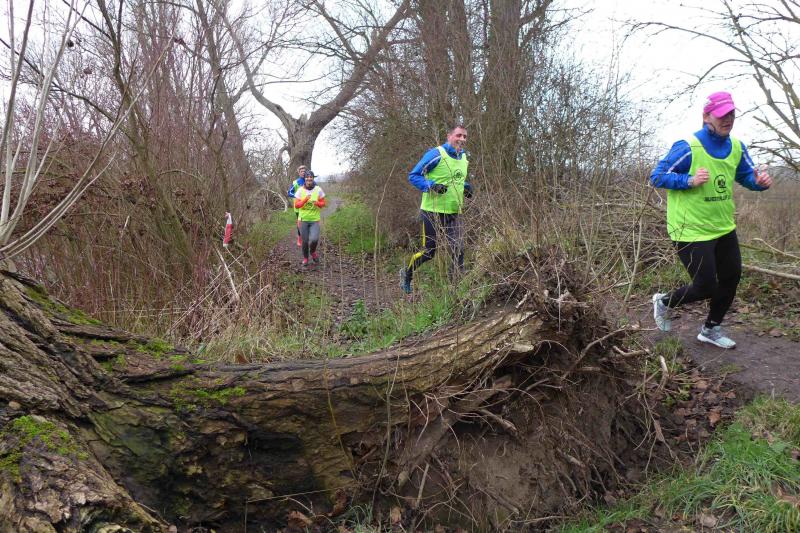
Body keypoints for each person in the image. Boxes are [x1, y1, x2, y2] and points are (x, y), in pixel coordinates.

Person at [650, 91, 772, 348]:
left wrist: (759, 183)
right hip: (690, 229)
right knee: (705, 286)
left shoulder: (737, 147)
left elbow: (746, 176)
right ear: (706, 116)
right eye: (721, 115)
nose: (728, 119)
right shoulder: (688, 146)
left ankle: (710, 329)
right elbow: (657, 176)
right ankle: (663, 302)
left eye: (731, 114)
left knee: (731, 278)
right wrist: (689, 180)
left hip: (723, 227)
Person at [400, 124, 474, 294]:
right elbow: (414, 176)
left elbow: (456, 179)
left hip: (455, 211)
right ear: (449, 136)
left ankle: (455, 287)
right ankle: (407, 274)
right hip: (432, 211)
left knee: (458, 249)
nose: (462, 139)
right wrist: (432, 185)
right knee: (429, 251)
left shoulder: (463, 157)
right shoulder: (436, 154)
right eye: (458, 135)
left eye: (465, 136)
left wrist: (466, 187)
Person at [294, 170, 326, 266]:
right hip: (303, 219)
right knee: (305, 241)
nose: (309, 179)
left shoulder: (318, 189)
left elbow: (323, 203)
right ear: (305, 179)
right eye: (307, 177)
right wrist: (305, 200)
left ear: (313, 178)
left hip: (314, 219)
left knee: (315, 239)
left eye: (310, 177)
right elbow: (297, 205)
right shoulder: (300, 190)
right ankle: (305, 258)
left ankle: (312, 252)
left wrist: (318, 203)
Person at [287, 165, 307, 247]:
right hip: (298, 207)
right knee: (300, 223)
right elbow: (289, 193)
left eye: (304, 171)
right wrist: (297, 196)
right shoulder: (295, 182)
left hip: (308, 207)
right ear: (299, 173)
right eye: (301, 171)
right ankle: (299, 238)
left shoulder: (309, 180)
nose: (303, 173)